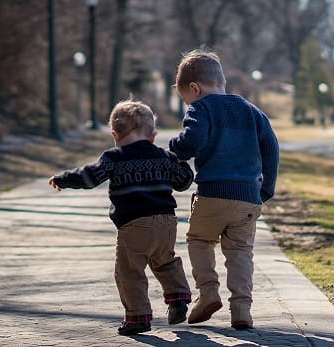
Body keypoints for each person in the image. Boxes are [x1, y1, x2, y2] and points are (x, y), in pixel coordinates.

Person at [48, 100, 194, 336]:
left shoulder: (113, 158)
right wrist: (181, 162)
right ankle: (178, 299)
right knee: (165, 261)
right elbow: (184, 181)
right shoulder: (164, 156)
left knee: (129, 271)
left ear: (115, 134)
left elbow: (90, 178)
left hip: (134, 224)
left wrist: (64, 179)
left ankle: (138, 317)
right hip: (166, 222)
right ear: (153, 135)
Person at [169, 49, 279, 330]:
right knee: (241, 251)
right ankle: (241, 309)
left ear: (195, 88)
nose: (187, 104)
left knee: (199, 240)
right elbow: (271, 148)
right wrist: (266, 188)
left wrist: (175, 147)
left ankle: (208, 293)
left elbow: (192, 141)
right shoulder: (251, 110)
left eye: (186, 99)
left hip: (212, 193)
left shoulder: (200, 108)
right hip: (247, 198)